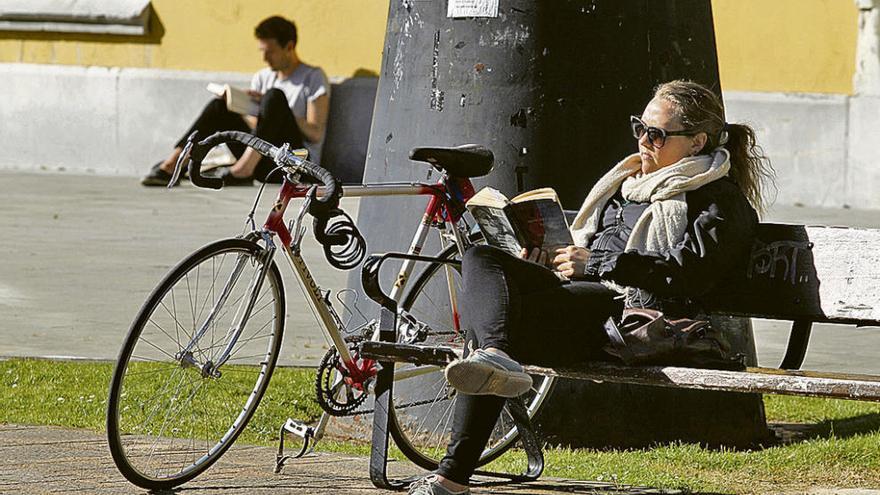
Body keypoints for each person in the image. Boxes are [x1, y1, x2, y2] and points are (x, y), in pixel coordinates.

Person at [407, 80, 775, 495]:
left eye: (656, 134)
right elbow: (588, 245)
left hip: (629, 313)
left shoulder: (718, 199)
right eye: (640, 127)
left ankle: (453, 476)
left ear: (696, 142)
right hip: (583, 293)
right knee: (479, 258)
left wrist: (599, 263)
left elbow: (689, 274)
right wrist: (550, 255)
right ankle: (494, 358)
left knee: (500, 335)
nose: (643, 140)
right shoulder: (626, 182)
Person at [141, 15, 330, 187]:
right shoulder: (263, 77)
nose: (264, 58)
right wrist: (239, 106)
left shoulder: (312, 77)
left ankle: (243, 170)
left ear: (289, 47)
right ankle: (174, 163)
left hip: (294, 163)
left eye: (270, 52)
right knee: (219, 106)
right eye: (262, 51)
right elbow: (262, 128)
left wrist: (278, 109)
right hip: (262, 159)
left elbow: (315, 133)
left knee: (274, 96)